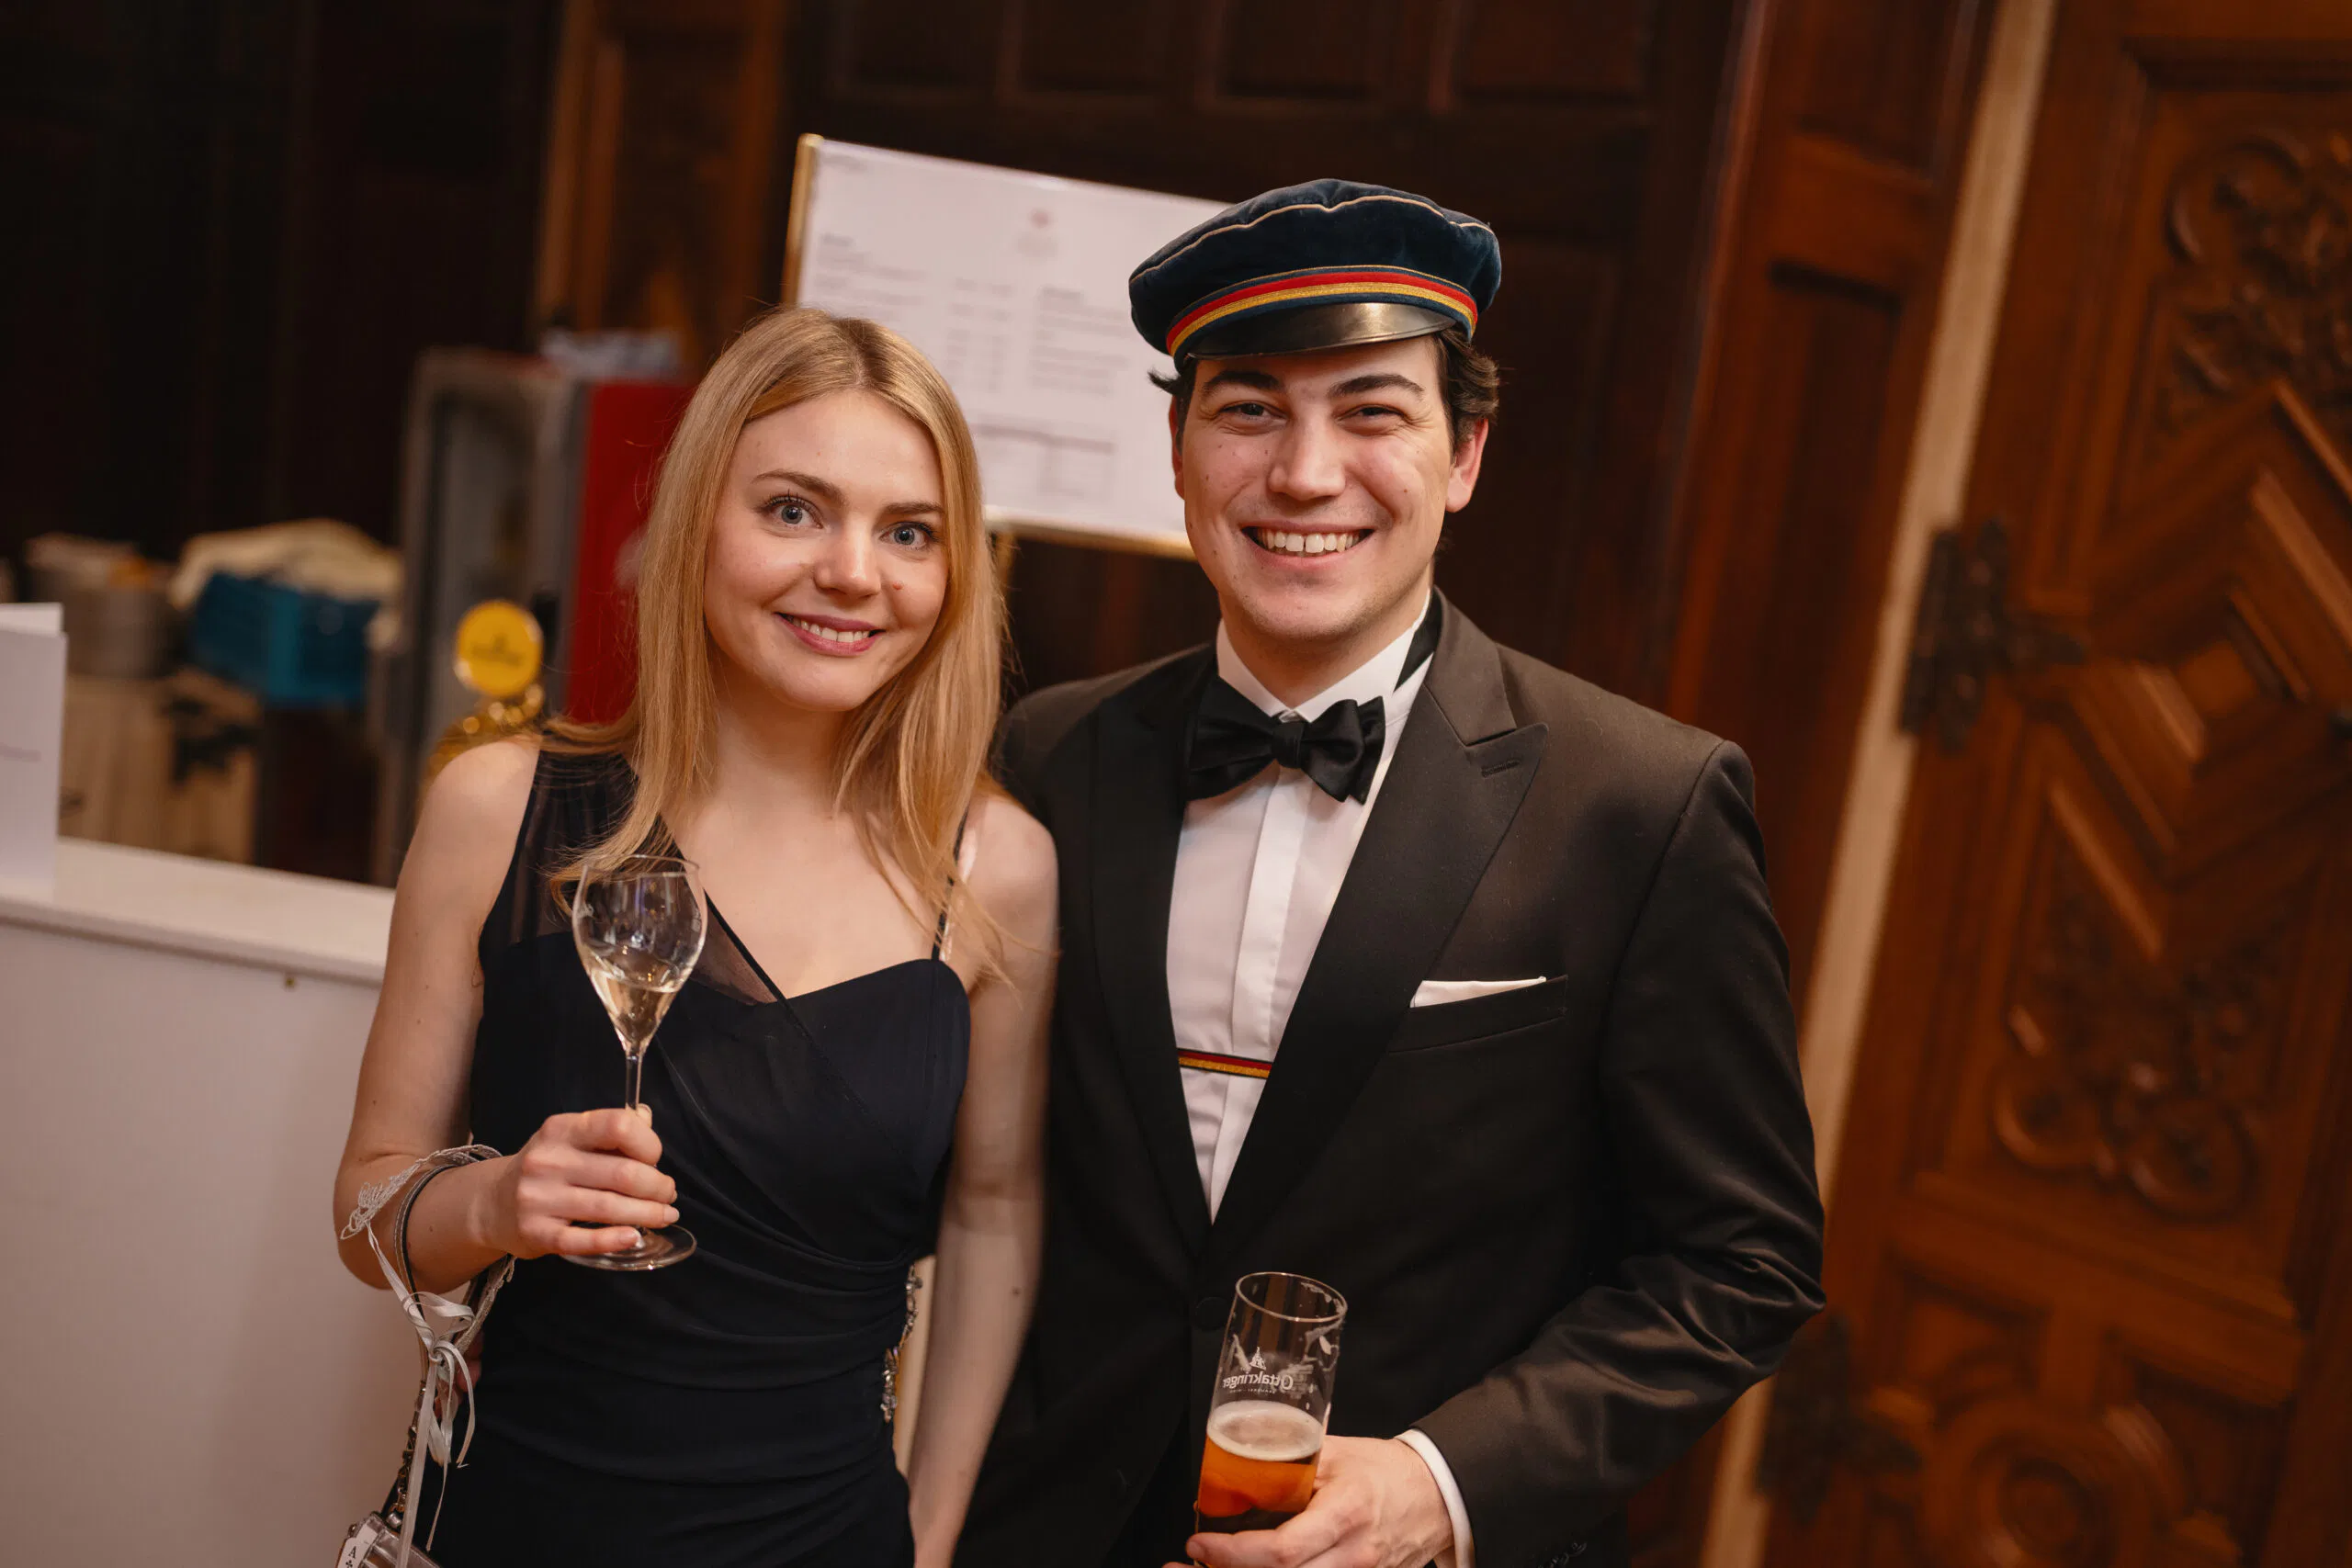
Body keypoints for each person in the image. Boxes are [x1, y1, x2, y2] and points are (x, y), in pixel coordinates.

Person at [956, 181, 1826, 1568]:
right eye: (1249, 409)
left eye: (1371, 412)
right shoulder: (1050, 752)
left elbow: (1741, 1264)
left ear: (1465, 452)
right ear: (1176, 448)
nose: (1306, 474)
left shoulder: (1641, 805)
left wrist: (1439, 1486)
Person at [333, 307, 1057, 1568]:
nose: (853, 572)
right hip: (512, 1523)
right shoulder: (499, 809)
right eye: (793, 510)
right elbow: (363, 1211)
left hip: (824, 1541)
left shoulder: (996, 868)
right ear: (696, 523)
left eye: (909, 531)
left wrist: (933, 1535)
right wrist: (495, 1199)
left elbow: (996, 1210)